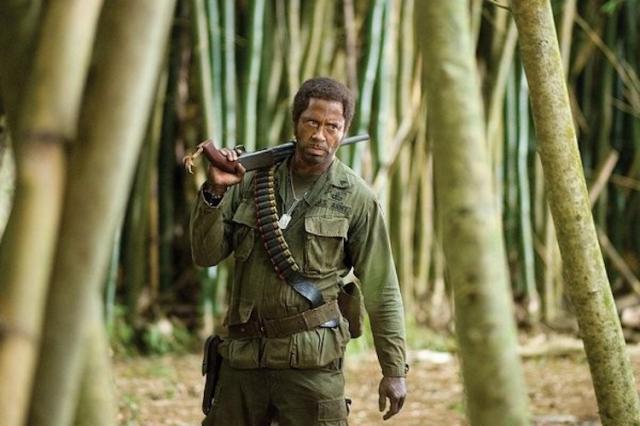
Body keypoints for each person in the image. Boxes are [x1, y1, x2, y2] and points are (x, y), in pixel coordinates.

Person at [191, 77, 407, 426]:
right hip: (244, 360)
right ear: (296, 122)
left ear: (343, 131)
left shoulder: (356, 197)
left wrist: (394, 369)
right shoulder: (251, 180)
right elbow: (205, 255)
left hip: (312, 364)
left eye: (332, 127)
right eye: (312, 122)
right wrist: (214, 192)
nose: (320, 135)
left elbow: (381, 287)